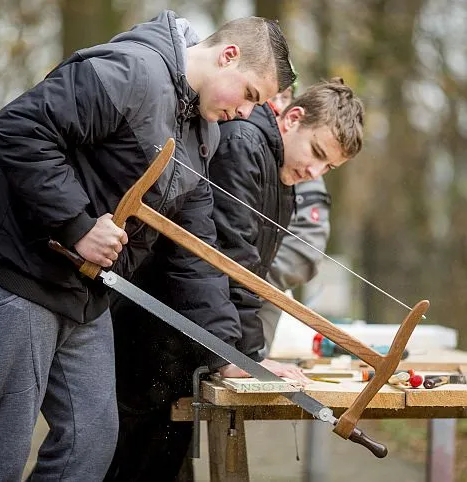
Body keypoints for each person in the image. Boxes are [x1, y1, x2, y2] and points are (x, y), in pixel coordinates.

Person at [0, 11, 296, 481]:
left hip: (82, 291)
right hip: (14, 266)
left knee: (90, 441)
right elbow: (19, 128)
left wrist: (226, 354)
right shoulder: (132, 70)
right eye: (251, 94)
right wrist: (77, 224)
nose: (247, 113)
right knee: (4, 445)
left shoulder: (203, 135)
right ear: (228, 56)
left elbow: (198, 252)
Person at [106, 78, 364, 481]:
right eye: (316, 153)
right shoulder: (243, 143)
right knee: (126, 462)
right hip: (154, 332)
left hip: (190, 338)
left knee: (163, 464)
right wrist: (244, 357)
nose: (315, 171)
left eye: (327, 167)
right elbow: (230, 261)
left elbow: (251, 273)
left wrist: (244, 354)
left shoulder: (280, 171)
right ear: (293, 118)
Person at [259, 87, 332, 354]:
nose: (277, 103)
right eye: (271, 94)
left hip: (256, 315)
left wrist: (250, 278)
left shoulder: (305, 167)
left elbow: (303, 252)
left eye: (285, 96)